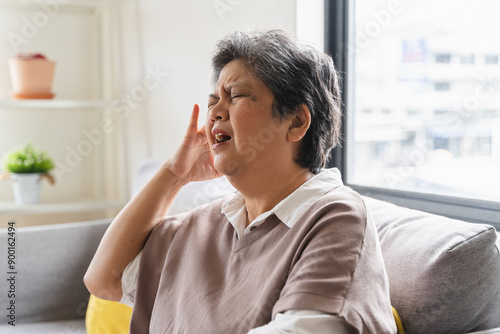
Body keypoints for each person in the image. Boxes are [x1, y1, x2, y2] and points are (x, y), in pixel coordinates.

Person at [84, 30, 396, 333]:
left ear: (297, 121)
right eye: (212, 101)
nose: (215, 112)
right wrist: (174, 174)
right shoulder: (204, 225)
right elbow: (103, 280)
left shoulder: (335, 216)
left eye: (236, 96)